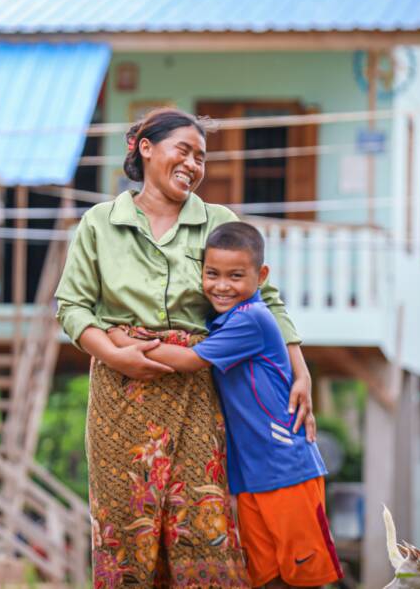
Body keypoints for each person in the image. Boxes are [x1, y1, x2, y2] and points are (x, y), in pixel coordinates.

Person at [55, 108, 316, 588]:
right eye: (185, 150)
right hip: (119, 398)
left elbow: (266, 302)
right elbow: (72, 307)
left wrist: (301, 373)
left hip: (197, 390)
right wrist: (115, 355)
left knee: (202, 523)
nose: (194, 164)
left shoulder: (218, 221)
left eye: (201, 157)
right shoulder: (99, 223)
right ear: (146, 149)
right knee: (124, 528)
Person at [107, 221, 343, 588]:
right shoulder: (224, 319)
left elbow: (187, 361)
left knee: (305, 575)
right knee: (262, 574)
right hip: (252, 474)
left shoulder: (252, 320)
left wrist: (121, 341)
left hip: (287, 467)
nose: (221, 286)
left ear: (261, 275)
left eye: (236, 276)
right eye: (212, 274)